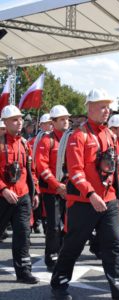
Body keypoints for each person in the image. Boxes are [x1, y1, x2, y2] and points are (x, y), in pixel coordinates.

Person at [50, 89, 119, 300]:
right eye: (101, 106)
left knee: (115, 246)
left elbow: (117, 169)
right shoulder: (78, 136)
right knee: (73, 245)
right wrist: (90, 194)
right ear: (89, 108)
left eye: (108, 106)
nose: (106, 110)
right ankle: (58, 285)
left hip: (108, 201)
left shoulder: (109, 134)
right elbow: (75, 171)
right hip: (83, 202)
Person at [0, 105, 40, 284]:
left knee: (23, 234)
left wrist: (35, 192)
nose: (19, 123)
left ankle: (24, 271)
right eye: (14, 120)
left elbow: (31, 170)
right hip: (2, 196)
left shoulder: (25, 143)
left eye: (20, 119)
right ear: (5, 122)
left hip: (22, 197)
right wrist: (3, 189)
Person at [89, 114, 119, 268]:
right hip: (103, 191)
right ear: (112, 129)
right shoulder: (107, 144)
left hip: (117, 191)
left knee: (112, 224)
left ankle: (98, 245)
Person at [35, 105, 71, 272]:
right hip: (52, 191)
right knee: (54, 225)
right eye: (62, 119)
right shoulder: (46, 140)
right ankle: (51, 255)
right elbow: (41, 167)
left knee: (69, 225)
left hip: (69, 191)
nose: (66, 122)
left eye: (67, 118)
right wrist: (57, 186)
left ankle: (62, 251)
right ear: (53, 122)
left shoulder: (72, 138)